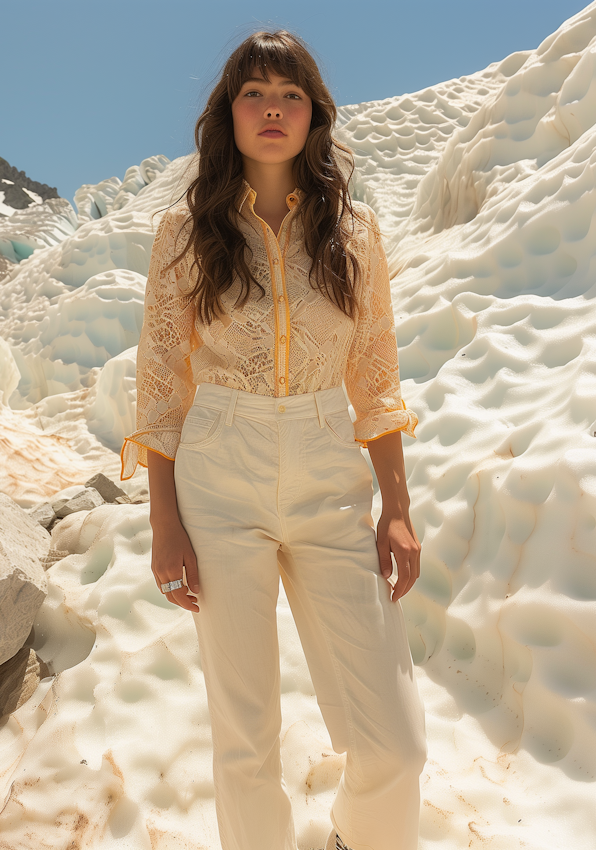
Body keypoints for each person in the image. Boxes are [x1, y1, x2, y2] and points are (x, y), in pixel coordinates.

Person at [120, 29, 427, 850]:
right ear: (228, 113)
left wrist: (395, 507)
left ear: (314, 116)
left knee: (397, 744)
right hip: (219, 480)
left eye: (291, 95)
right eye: (254, 92)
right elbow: (160, 388)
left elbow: (376, 376)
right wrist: (164, 521)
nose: (273, 109)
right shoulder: (184, 237)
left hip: (331, 478)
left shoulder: (354, 236)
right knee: (245, 737)